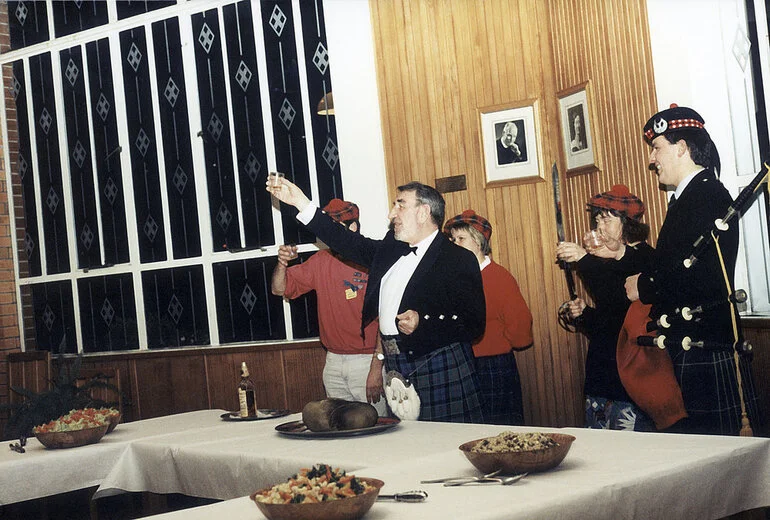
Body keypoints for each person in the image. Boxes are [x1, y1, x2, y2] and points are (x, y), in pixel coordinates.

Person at [267, 178, 486, 423]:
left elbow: (474, 323)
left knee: (445, 445)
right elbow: (347, 242)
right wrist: (300, 202)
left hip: (436, 364)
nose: (392, 213)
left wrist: (424, 322)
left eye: (400, 205)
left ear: (424, 212)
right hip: (396, 363)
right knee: (405, 446)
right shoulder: (392, 247)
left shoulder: (457, 258)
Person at [625, 104, 759, 435]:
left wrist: (645, 286)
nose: (652, 159)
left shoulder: (705, 196)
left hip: (705, 342)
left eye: (657, 148)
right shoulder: (694, 197)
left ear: (682, 147)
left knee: (720, 466)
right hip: (691, 342)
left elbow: (697, 275)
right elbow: (675, 261)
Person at [271, 199, 386, 416]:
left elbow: (385, 316)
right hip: (332, 361)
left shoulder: (374, 259)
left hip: (367, 361)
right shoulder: (320, 260)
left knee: (376, 429)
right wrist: (282, 263)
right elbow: (279, 289)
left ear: (353, 227)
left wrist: (377, 367)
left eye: (334, 228)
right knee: (338, 428)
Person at [556, 185, 655, 431]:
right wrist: (585, 314)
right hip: (602, 374)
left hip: (631, 376)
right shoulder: (606, 259)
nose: (599, 226)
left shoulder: (645, 257)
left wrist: (583, 259)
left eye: (607, 219)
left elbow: (620, 299)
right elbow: (608, 318)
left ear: (627, 223)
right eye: (597, 219)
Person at [443, 210, 533, 425]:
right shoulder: (455, 278)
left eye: (461, 239)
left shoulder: (499, 276)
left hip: (493, 366)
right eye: (453, 239)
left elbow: (520, 324)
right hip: (462, 364)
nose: (455, 244)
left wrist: (499, 346)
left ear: (479, 241)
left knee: (499, 430)